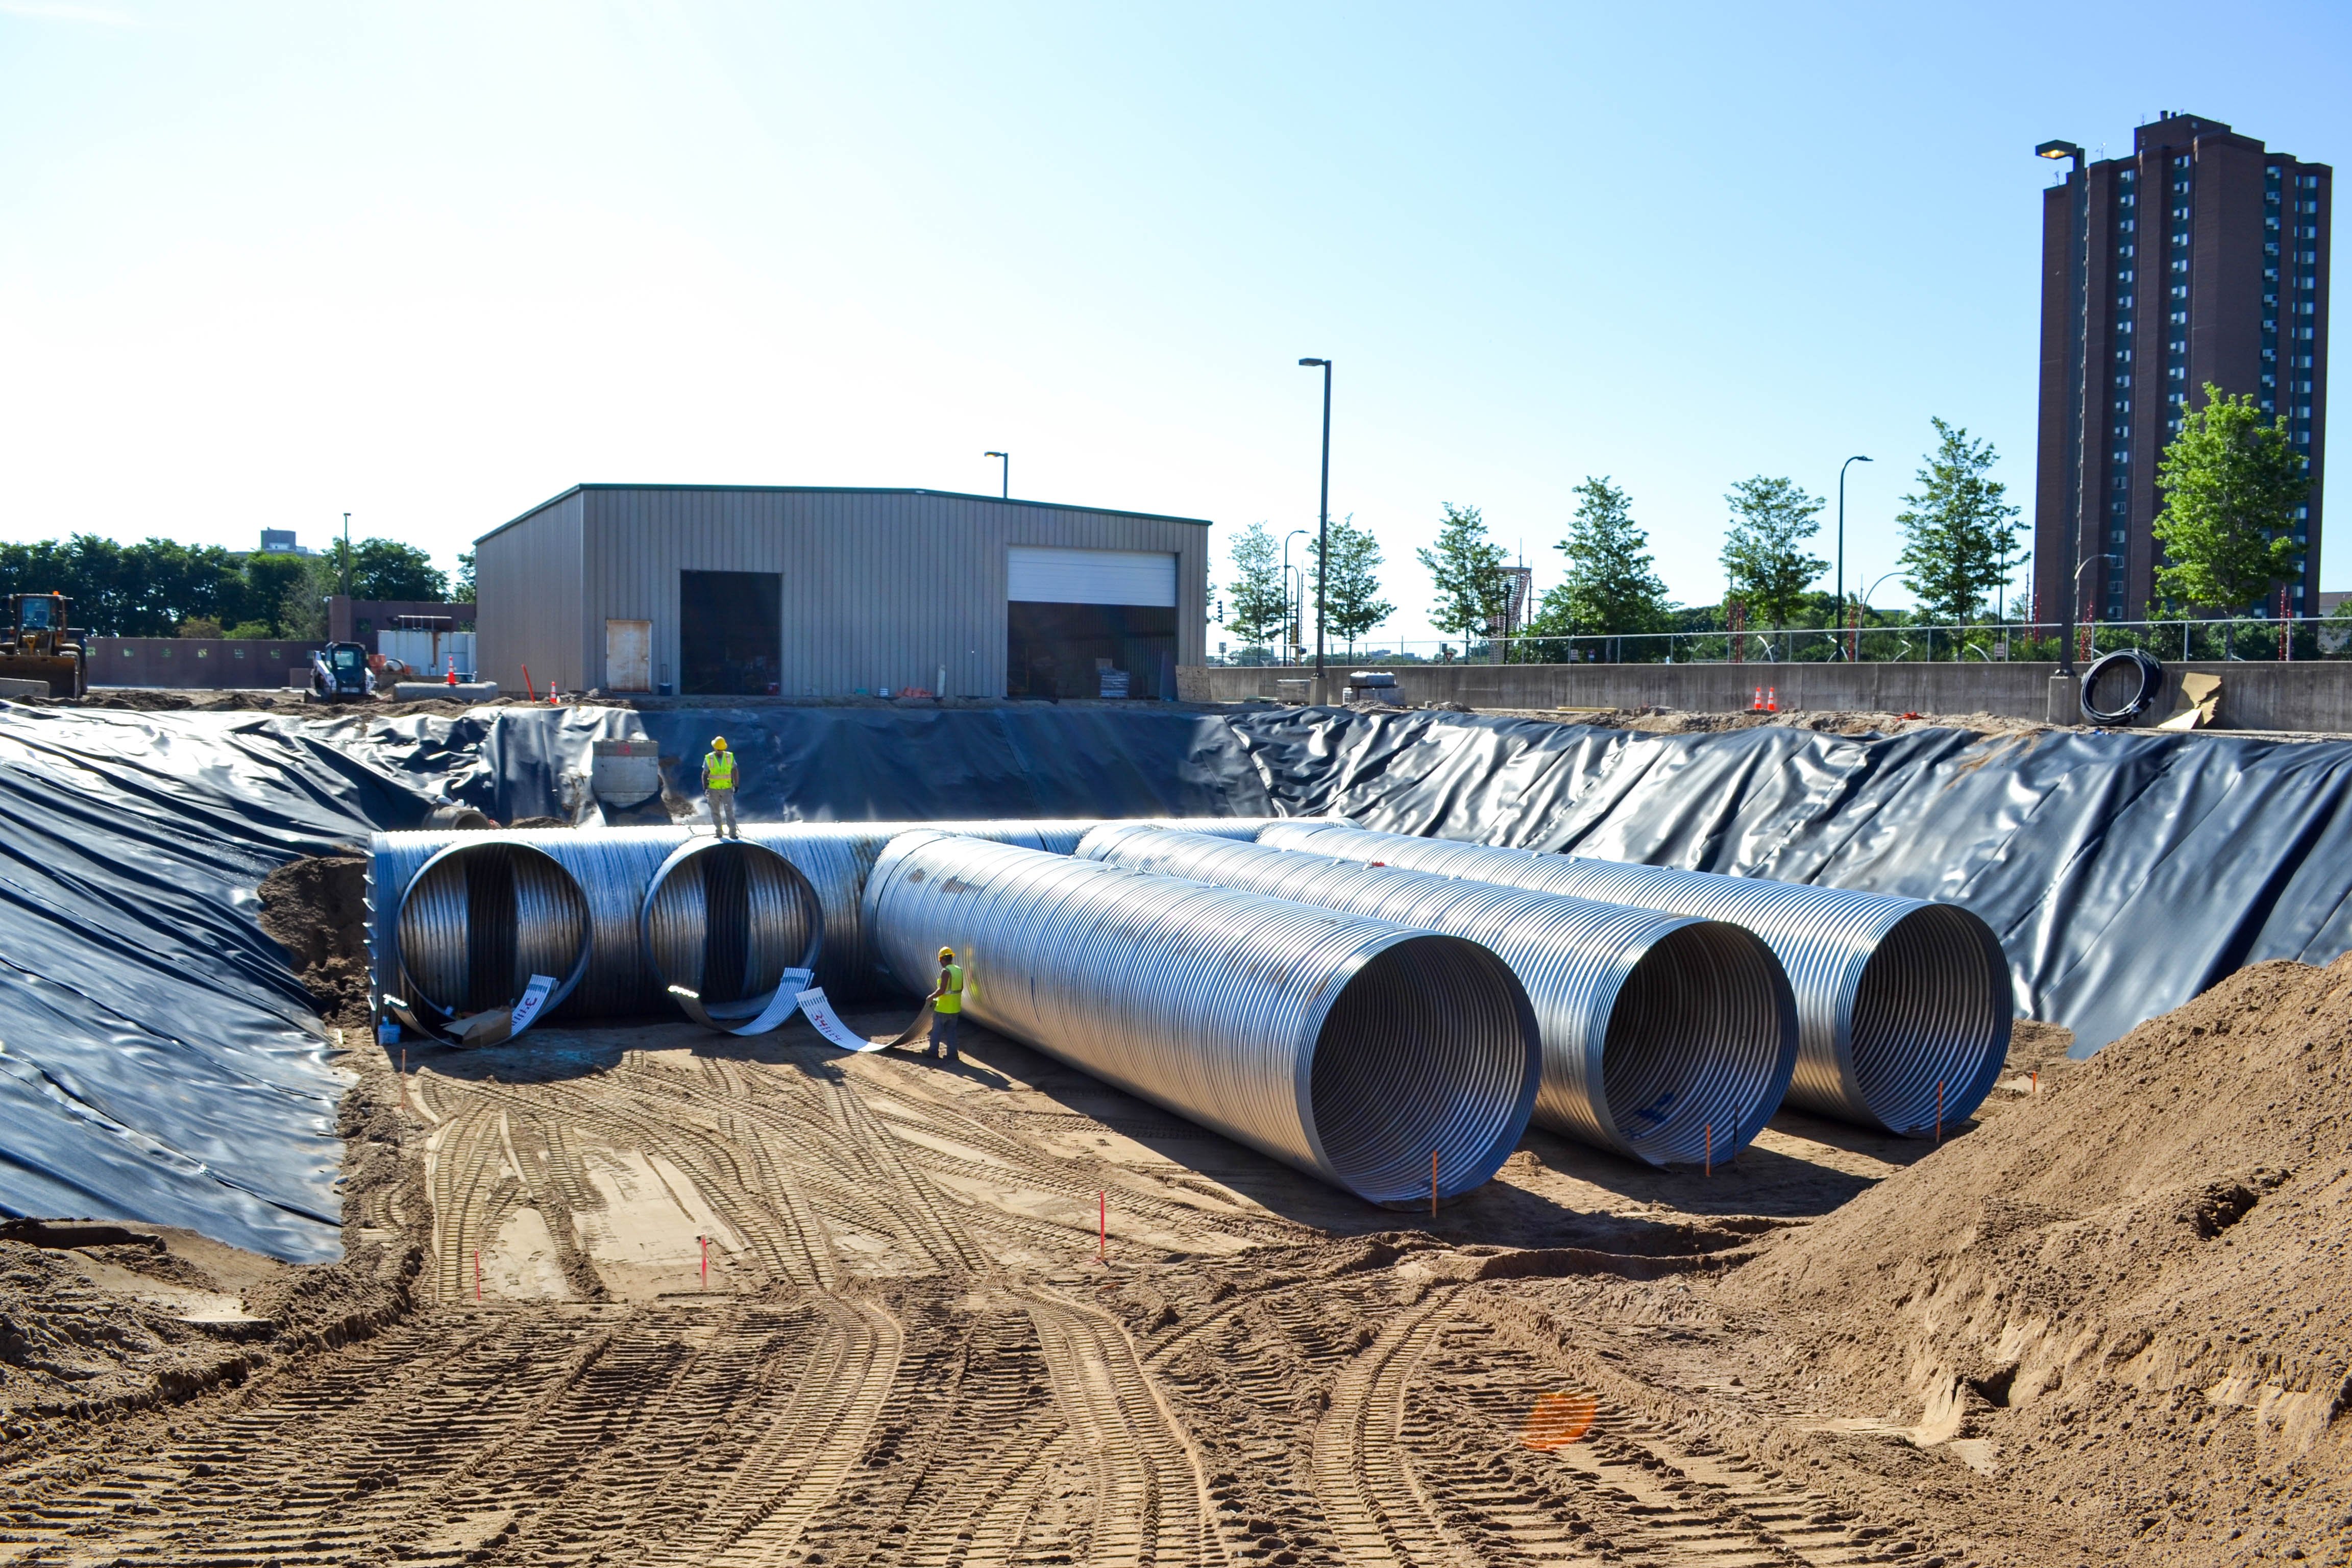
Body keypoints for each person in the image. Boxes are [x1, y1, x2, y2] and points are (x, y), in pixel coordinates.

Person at [927, 946, 964, 1062]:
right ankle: (953, 1055)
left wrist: (931, 997)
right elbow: (961, 988)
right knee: (951, 1032)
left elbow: (942, 990)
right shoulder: (959, 970)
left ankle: (933, 1052)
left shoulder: (946, 971)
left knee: (936, 1031)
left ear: (942, 959)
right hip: (955, 1008)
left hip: (943, 1008)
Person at [702, 736, 739, 838]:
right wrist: (706, 788)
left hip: (723, 789)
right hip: (716, 789)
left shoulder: (728, 757)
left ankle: (730, 832)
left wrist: (736, 785)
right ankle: (722, 831)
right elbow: (705, 774)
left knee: (726, 811)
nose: (720, 751)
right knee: (719, 811)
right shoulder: (710, 758)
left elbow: (735, 770)